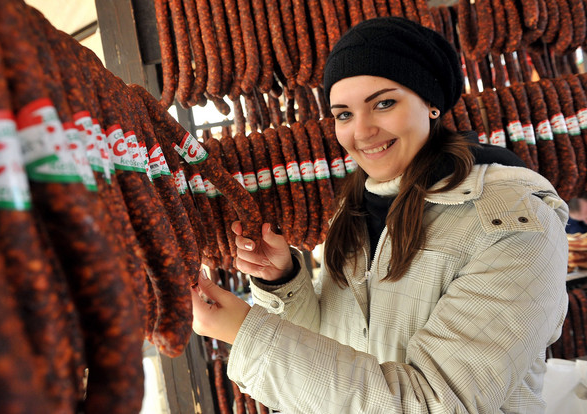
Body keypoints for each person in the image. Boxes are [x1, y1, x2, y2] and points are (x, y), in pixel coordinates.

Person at [191, 17, 569, 413]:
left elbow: (438, 405)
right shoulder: (355, 209)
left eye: (384, 103)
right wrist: (284, 282)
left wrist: (244, 332)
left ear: (431, 103)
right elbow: (335, 354)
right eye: (343, 114)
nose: (362, 131)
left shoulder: (514, 222)